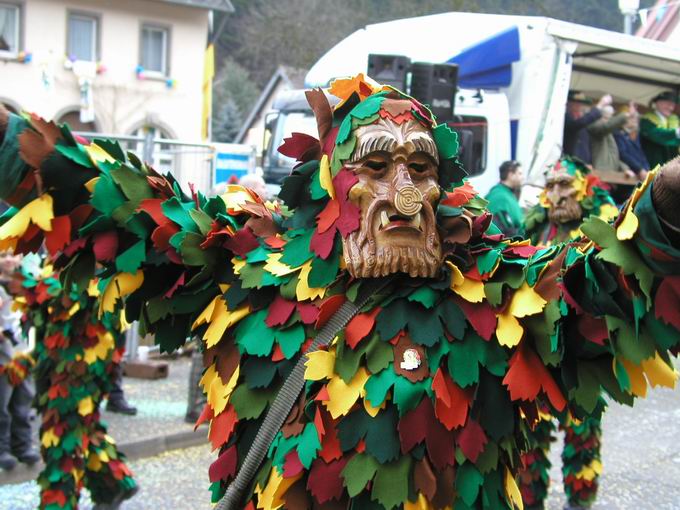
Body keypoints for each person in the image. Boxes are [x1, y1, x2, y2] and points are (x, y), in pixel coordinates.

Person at [1, 76, 680, 510]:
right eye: (376, 166)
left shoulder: (498, 287)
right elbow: (124, 216)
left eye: (421, 166)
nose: (404, 192)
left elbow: (605, 299)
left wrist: (668, 206)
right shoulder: (252, 268)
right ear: (331, 182)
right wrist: (18, 151)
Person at [521, 157, 617, 510]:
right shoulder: (536, 228)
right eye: (552, 187)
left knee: (583, 432)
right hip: (539, 353)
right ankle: (531, 502)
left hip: (585, 352)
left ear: (585, 188)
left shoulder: (602, 226)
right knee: (531, 435)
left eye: (566, 186)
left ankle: (579, 502)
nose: (558, 195)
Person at [11, 255, 138, 509]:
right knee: (82, 427)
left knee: (61, 435)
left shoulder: (92, 249)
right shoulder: (60, 255)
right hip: (66, 359)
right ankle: (114, 483)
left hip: (84, 364)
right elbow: (55, 318)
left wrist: (16, 277)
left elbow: (68, 292)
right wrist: (34, 359)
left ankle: (58, 504)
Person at [0, 252, 39, 471]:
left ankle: (22, 445)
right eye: (2, 255)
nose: (8, 259)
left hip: (23, 353)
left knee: (23, 401)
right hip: (2, 356)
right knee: (2, 405)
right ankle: (2, 449)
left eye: (12, 255)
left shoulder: (29, 283)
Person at [563, 91, 612, 164]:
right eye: (575, 103)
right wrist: (600, 105)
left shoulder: (582, 118)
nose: (579, 106)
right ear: (569, 104)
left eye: (581, 103)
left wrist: (588, 162)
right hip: (569, 163)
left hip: (582, 163)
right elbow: (578, 124)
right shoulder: (566, 117)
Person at [588, 102, 636, 173]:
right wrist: (626, 115)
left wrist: (625, 168)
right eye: (605, 118)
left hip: (610, 174)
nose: (608, 121)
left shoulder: (609, 133)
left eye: (610, 118)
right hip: (600, 173)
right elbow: (606, 127)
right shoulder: (594, 127)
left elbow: (613, 157)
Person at [640, 91, 680, 169]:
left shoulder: (675, 120)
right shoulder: (647, 120)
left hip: (673, 168)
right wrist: (676, 133)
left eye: (672, 104)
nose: (670, 107)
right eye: (667, 104)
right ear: (658, 103)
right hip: (653, 164)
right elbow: (656, 135)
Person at [485, 160, 525, 236]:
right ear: (511, 175)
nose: (523, 177)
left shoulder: (506, 193)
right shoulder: (500, 197)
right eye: (520, 174)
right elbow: (504, 232)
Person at [615, 107, 650, 181]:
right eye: (632, 118)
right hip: (627, 175)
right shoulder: (618, 135)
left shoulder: (635, 136)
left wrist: (646, 169)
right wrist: (639, 169)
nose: (635, 120)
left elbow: (641, 154)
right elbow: (623, 154)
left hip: (639, 174)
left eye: (636, 118)